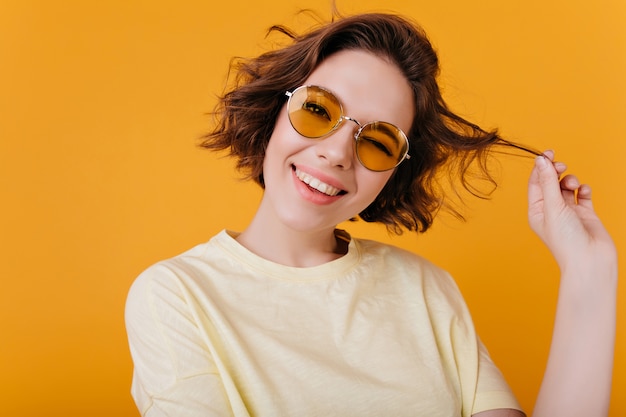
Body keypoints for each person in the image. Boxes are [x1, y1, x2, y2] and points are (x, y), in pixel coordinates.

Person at [125, 11, 617, 417]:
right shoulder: (175, 295)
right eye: (318, 111)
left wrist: (589, 272)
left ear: (393, 174)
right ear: (277, 110)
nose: (337, 154)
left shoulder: (425, 288)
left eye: (378, 142)